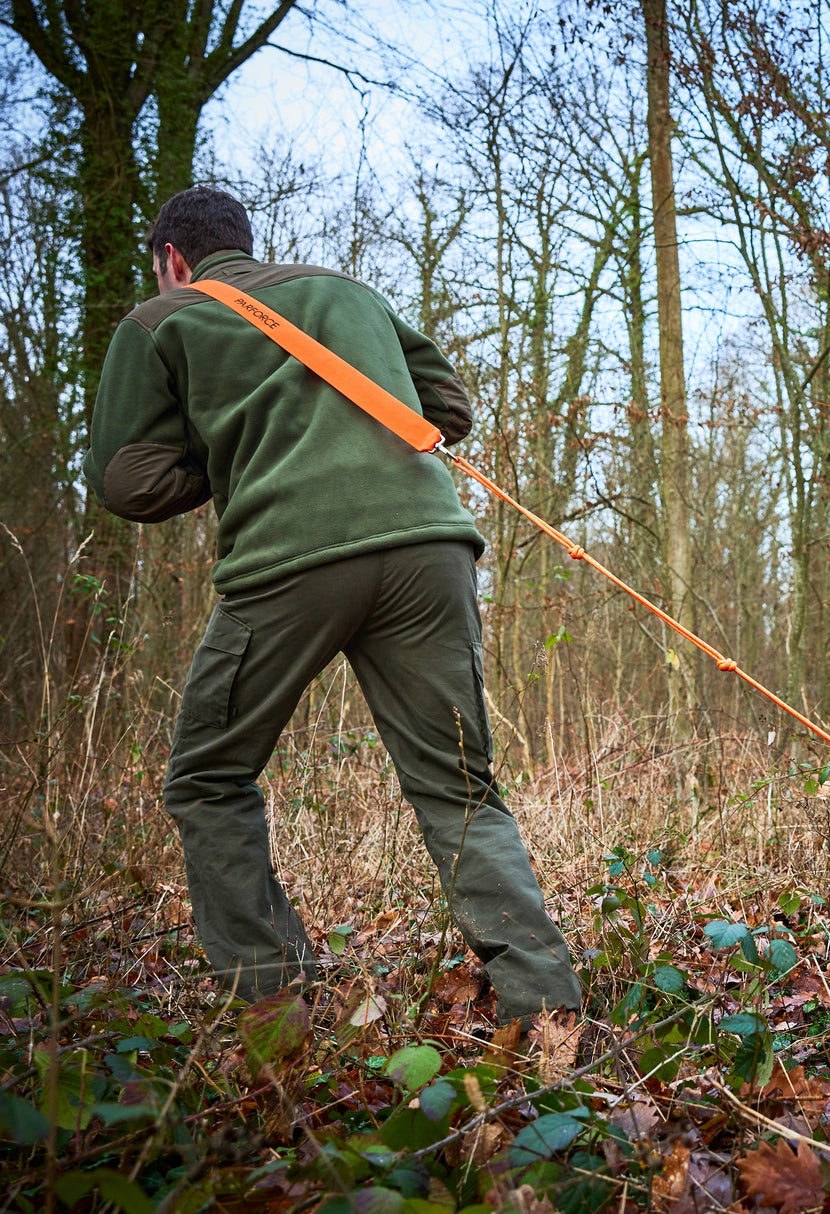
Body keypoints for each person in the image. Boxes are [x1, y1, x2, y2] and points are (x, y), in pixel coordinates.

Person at [83, 185, 581, 1024]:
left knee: (208, 779)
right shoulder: (349, 294)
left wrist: (238, 452)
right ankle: (548, 1007)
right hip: (432, 546)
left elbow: (125, 482)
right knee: (459, 787)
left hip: (289, 560)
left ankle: (276, 1004)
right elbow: (450, 406)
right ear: (245, 243)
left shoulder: (158, 322)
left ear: (172, 260)